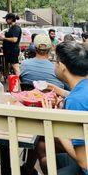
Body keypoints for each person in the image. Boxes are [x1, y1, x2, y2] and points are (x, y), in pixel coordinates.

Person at [22, 41, 88, 175]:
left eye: (56, 61)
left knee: (44, 145)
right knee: (43, 150)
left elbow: (84, 162)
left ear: (62, 67)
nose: (54, 64)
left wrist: (53, 120)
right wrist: (52, 87)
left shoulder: (75, 101)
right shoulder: (82, 89)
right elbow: (75, 96)